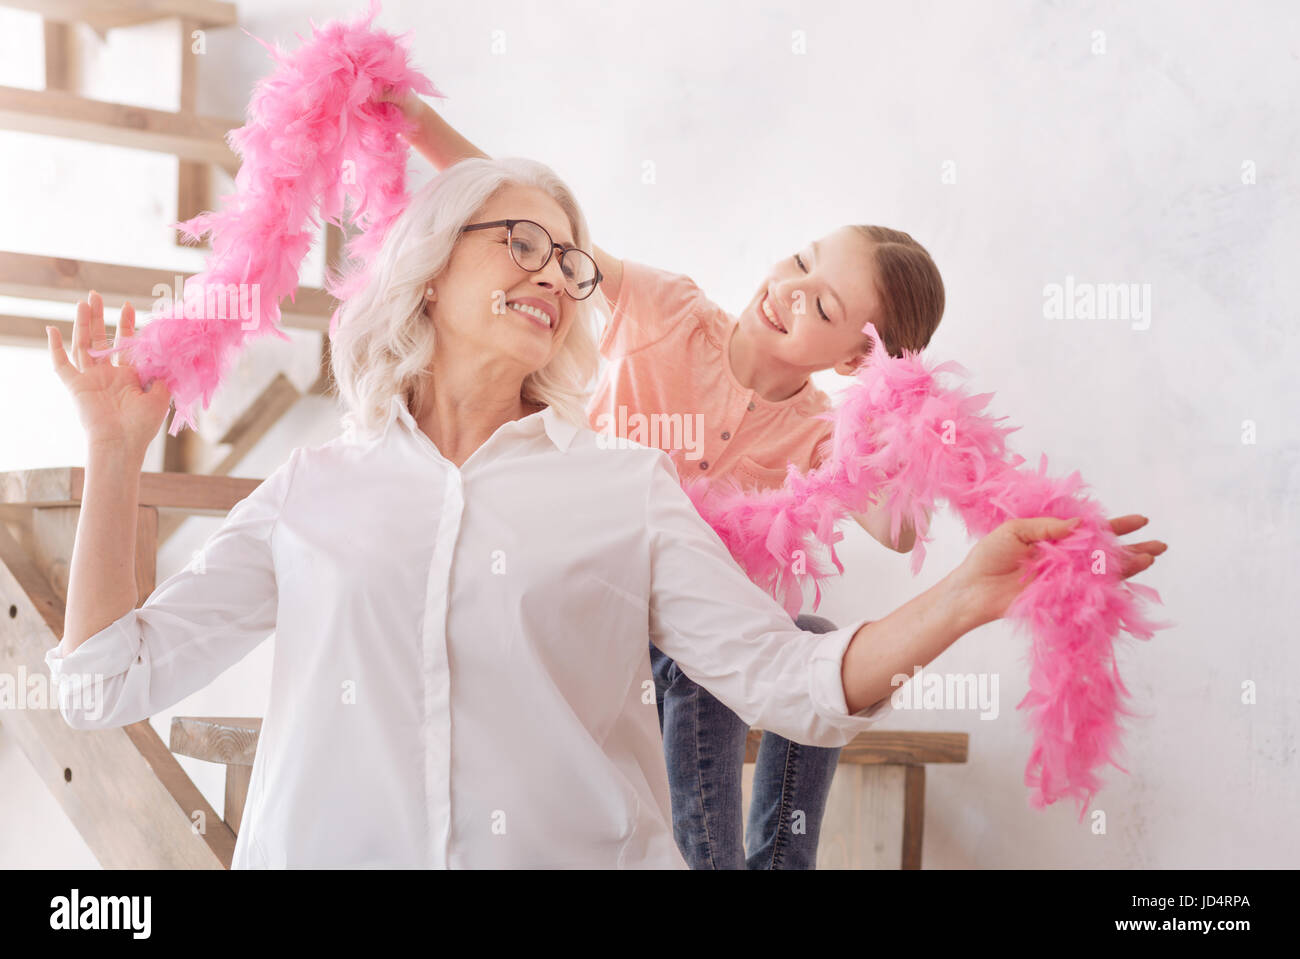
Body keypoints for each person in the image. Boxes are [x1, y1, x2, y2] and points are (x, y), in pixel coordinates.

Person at [43, 155, 1166, 869]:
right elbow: (101, 684)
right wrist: (113, 452)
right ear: (429, 270)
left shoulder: (624, 491)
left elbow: (792, 682)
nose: (552, 267)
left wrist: (963, 596)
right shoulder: (310, 493)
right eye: (517, 239)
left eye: (567, 256)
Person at [389, 92, 939, 869]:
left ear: (856, 358)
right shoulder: (668, 311)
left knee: (810, 637)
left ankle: (781, 861)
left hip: (708, 638)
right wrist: (415, 121)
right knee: (698, 657)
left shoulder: (818, 435)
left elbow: (901, 527)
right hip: (599, 598)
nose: (788, 289)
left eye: (820, 303)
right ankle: (705, 859)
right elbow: (549, 238)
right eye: (802, 260)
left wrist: (896, 399)